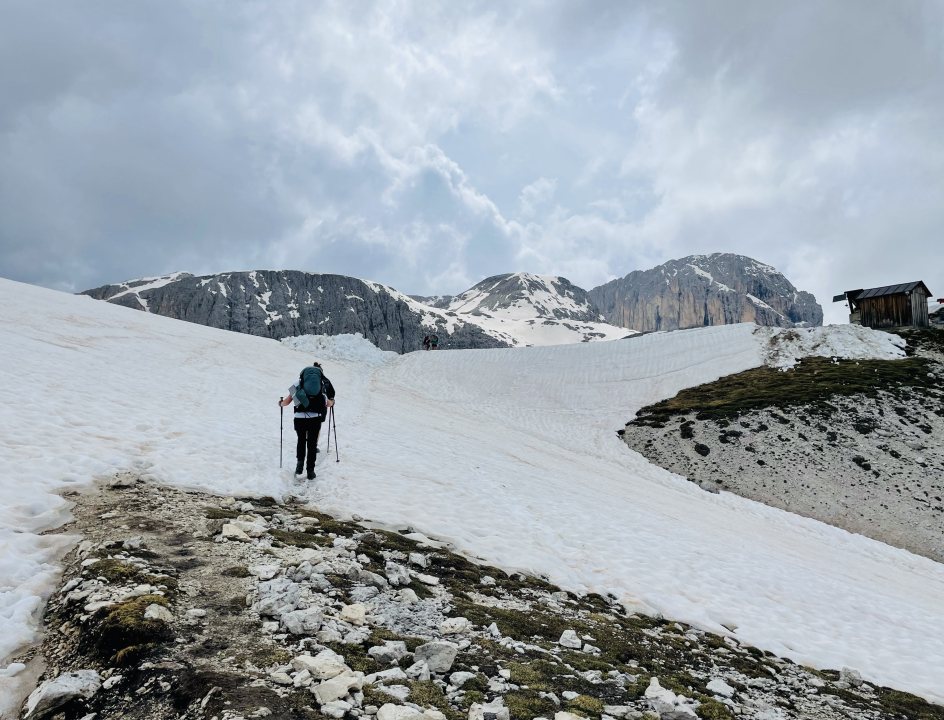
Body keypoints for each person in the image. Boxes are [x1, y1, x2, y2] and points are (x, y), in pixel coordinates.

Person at [279, 361, 336, 480]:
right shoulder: (321, 385)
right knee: (312, 444)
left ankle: (299, 465)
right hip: (315, 418)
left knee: (301, 440)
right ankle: (310, 471)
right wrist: (332, 402)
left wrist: (280, 403)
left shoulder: (297, 383)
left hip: (299, 419)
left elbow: (287, 401)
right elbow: (328, 403)